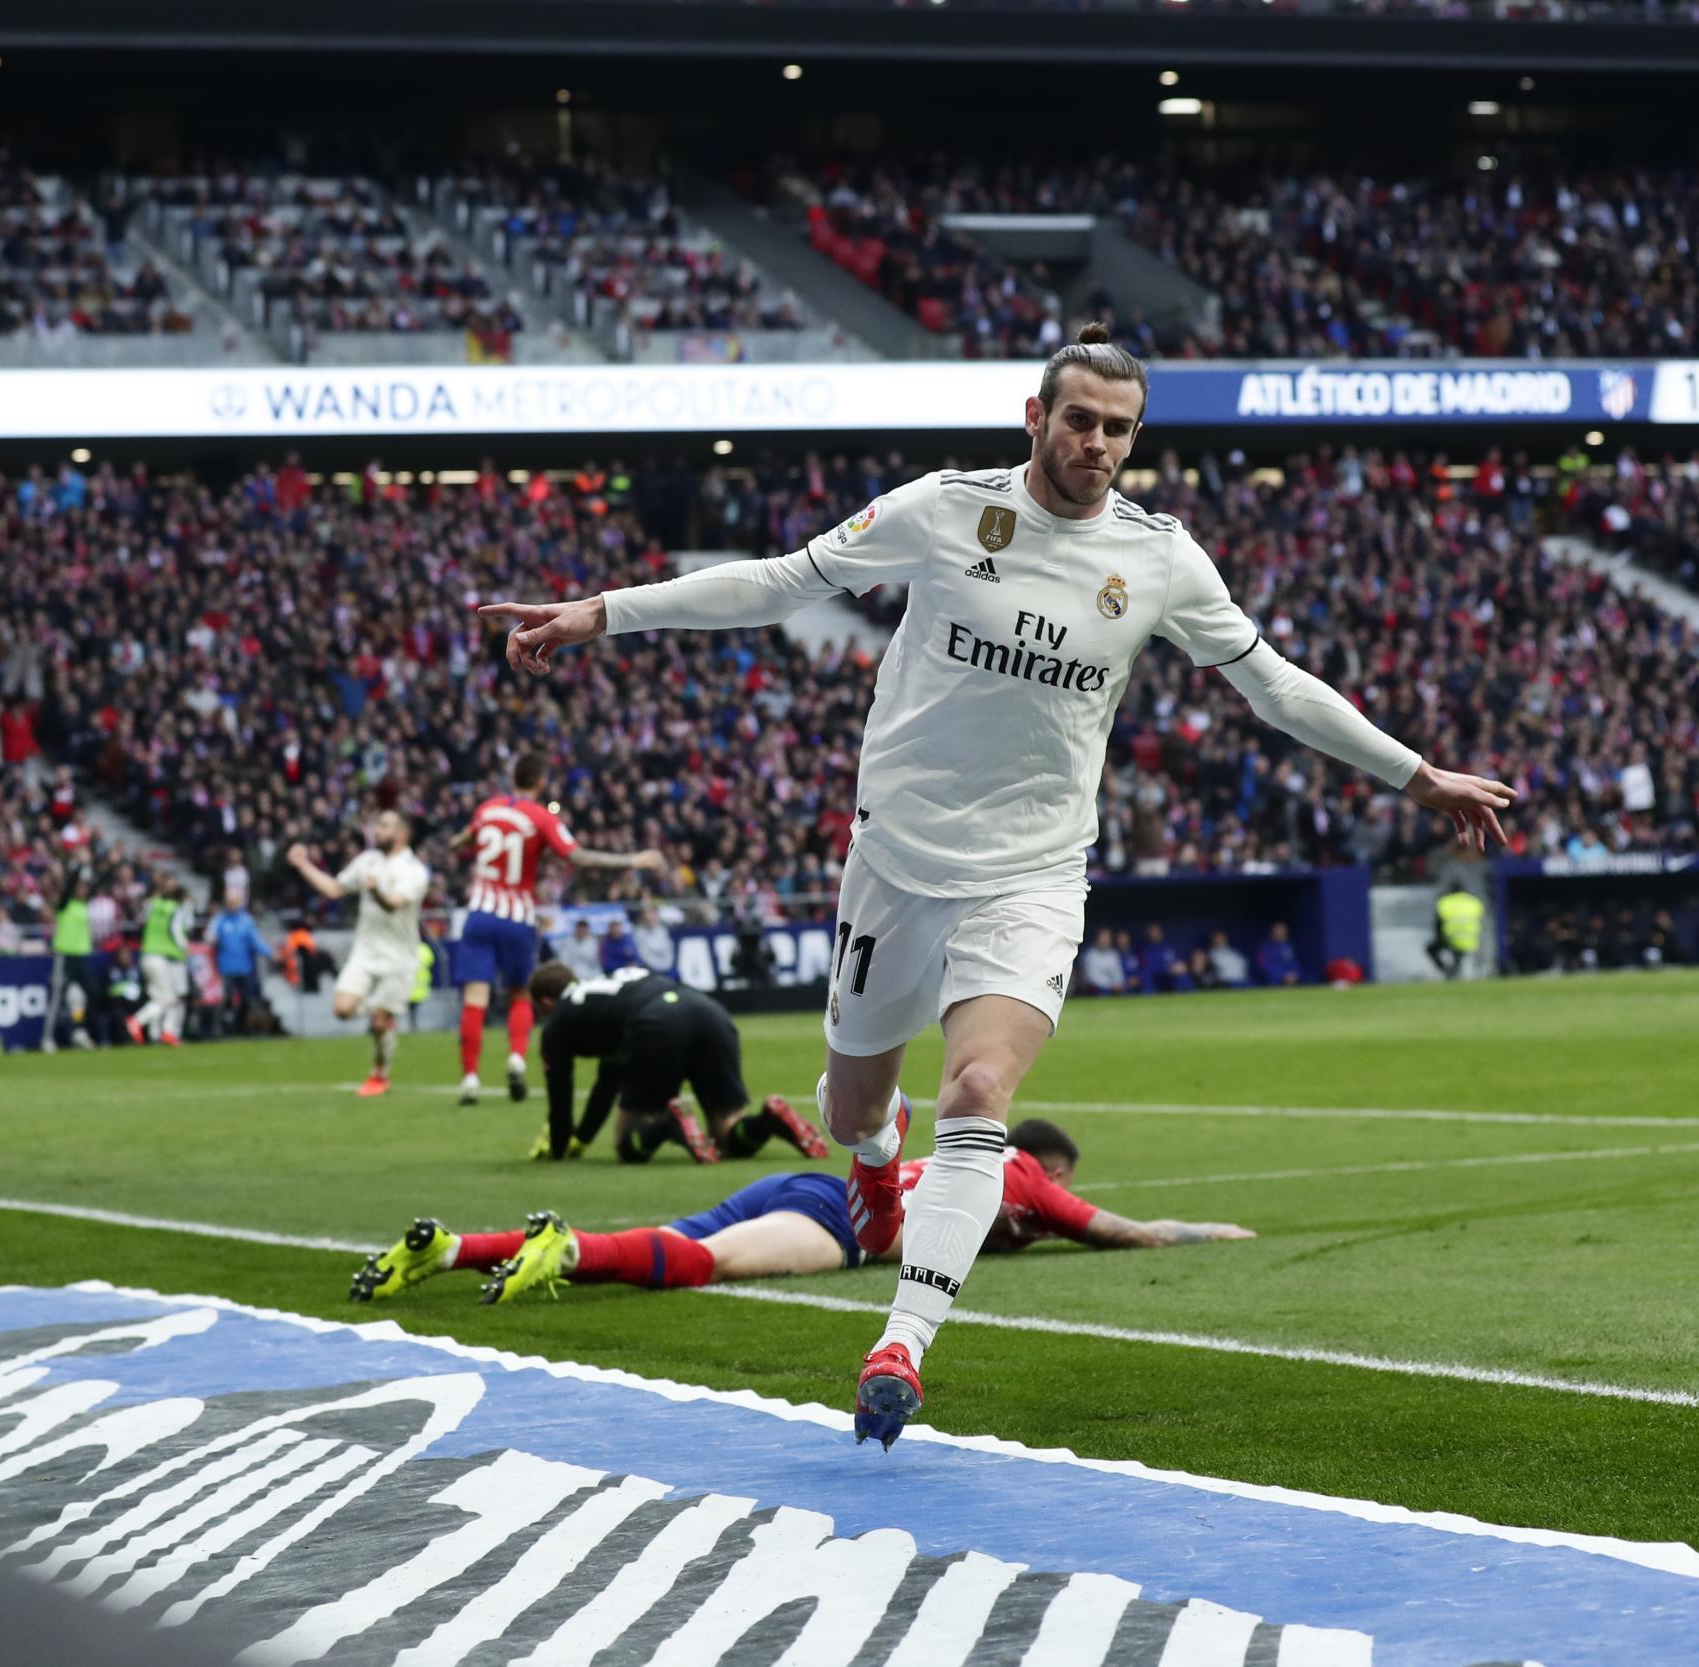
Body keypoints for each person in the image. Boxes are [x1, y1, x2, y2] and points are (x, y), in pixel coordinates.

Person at [479, 322, 1516, 1449]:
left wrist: (1410, 773)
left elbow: (1271, 685)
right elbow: (781, 583)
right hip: (892, 863)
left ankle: (900, 1344)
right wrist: (601, 611)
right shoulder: (943, 508)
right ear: (1035, 418)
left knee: (975, 1094)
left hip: (1030, 871)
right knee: (850, 1110)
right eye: (1079, 420)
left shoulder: (1159, 557)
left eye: (1119, 429)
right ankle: (875, 1172)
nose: (1098, 444)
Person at [349, 1118, 1252, 1305]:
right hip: (846, 1220)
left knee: (680, 1237)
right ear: (1046, 1162)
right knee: (704, 1265)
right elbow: (1120, 1234)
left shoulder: (974, 1160)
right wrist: (1212, 1233)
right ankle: (568, 1248)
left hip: (807, 1185)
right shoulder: (1022, 1176)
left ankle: (458, 1246)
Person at [447, 752, 663, 1106]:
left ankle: (470, 1078)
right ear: (541, 783)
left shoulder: (488, 808)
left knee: (475, 998)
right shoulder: (541, 816)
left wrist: (459, 843)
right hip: (516, 916)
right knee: (518, 994)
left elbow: (464, 839)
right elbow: (577, 856)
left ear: (512, 777)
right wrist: (633, 860)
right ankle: (516, 1058)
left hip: (479, 914)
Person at [525, 960, 828, 1166]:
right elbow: (606, 1084)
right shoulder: (606, 992)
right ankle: (767, 1121)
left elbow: (560, 1094)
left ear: (546, 1002)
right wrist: (581, 1138)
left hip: (656, 1023)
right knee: (725, 1134)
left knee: (628, 1146)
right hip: (708, 1011)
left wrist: (559, 1147)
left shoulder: (560, 1021)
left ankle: (669, 1125)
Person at [286, 811, 430, 1098]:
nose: (378, 830)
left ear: (402, 834)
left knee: (378, 1022)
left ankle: (379, 1074)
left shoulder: (414, 870)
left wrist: (375, 893)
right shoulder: (368, 861)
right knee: (342, 1009)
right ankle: (383, 1015)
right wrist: (304, 865)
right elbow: (334, 889)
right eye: (377, 824)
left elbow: (393, 904)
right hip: (365, 952)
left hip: (399, 957)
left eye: (385, 825)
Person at [125, 876, 194, 1046]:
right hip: (160, 957)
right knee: (168, 998)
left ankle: (158, 1034)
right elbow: (178, 930)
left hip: (146, 954)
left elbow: (140, 917)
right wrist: (186, 947)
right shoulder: (174, 908)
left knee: (157, 996)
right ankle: (137, 1021)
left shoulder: (153, 905)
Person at [41, 859, 98, 1053]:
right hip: (64, 956)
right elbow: (68, 888)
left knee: (88, 995)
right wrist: (80, 868)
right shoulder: (65, 905)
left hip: (80, 956)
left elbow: (98, 885)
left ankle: (79, 1031)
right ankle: (47, 1039)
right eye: (80, 887)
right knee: (56, 998)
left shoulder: (84, 905)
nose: (83, 890)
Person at [208, 887, 272, 1035]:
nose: (232, 904)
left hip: (245, 967)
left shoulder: (246, 920)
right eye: (229, 901)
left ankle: (243, 1028)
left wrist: (270, 953)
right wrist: (212, 940)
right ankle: (224, 1029)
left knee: (247, 1000)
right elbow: (209, 938)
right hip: (225, 968)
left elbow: (255, 942)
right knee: (227, 1001)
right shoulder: (219, 920)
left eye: (234, 901)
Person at [1429, 881, 1485, 980]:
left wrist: (1440, 938)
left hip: (1451, 940)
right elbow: (1481, 921)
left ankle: (1447, 970)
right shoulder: (1474, 902)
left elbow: (1438, 924)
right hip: (1472, 941)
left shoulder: (1445, 902)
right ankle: (1454, 972)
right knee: (1460, 958)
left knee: (1431, 949)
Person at [1257, 921, 1302, 987]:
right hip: (1274, 980)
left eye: (1282, 931)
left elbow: (1294, 963)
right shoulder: (1265, 948)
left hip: (1291, 978)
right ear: (1273, 932)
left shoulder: (1288, 946)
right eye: (1278, 931)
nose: (1280, 933)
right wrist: (1282, 975)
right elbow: (1264, 966)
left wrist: (1294, 973)